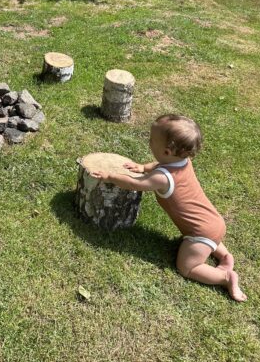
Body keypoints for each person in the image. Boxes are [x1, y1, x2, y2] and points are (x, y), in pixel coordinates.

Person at [90, 114, 247, 302]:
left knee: (187, 267)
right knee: (210, 238)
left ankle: (225, 277)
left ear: (166, 151)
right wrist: (143, 167)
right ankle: (224, 255)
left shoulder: (162, 178)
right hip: (214, 222)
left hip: (200, 233)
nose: (149, 141)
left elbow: (134, 184)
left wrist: (110, 176)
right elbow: (159, 165)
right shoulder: (183, 162)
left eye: (151, 140)